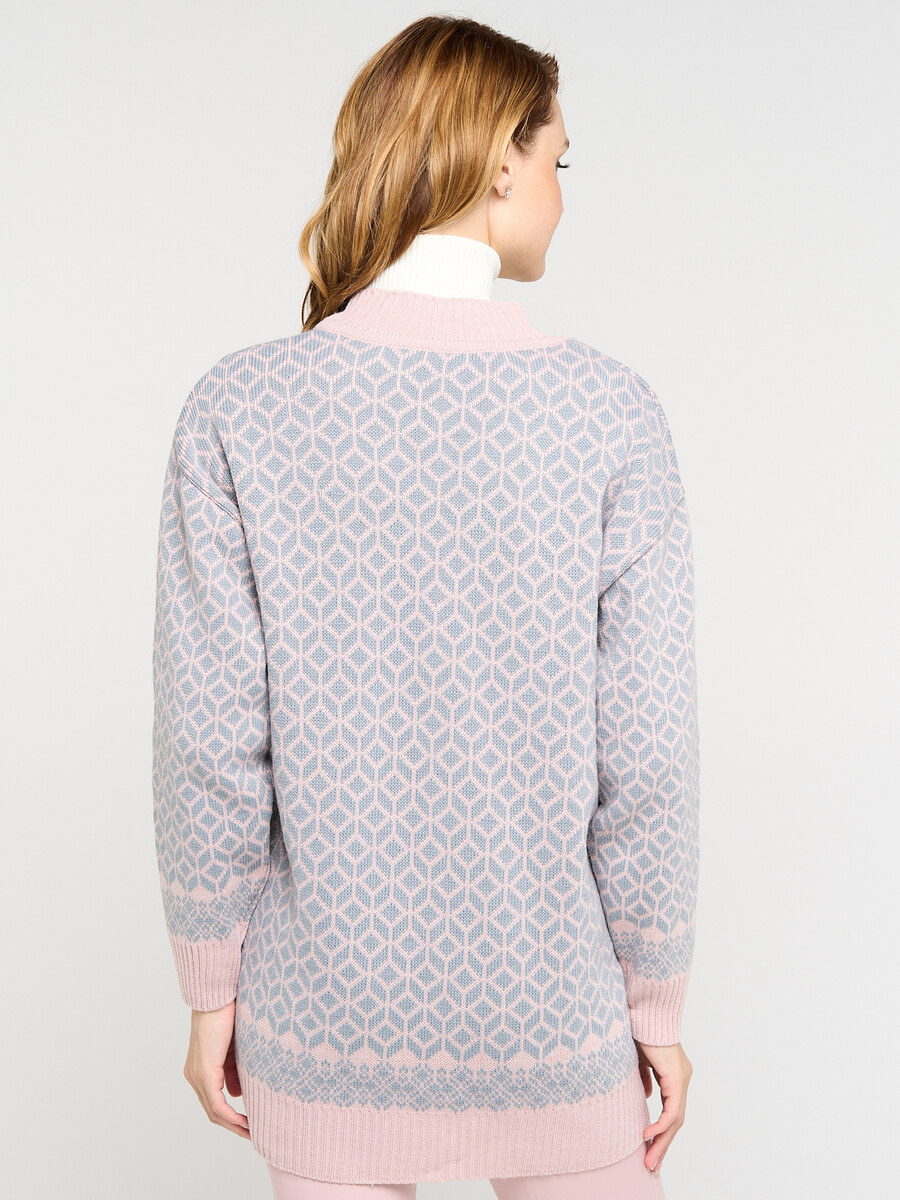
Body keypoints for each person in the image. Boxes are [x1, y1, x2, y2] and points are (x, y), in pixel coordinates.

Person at [151, 14, 699, 1199]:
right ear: (500, 162)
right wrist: (655, 1003)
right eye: (558, 158)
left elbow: (209, 742)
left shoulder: (239, 407)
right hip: (552, 1019)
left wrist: (210, 990)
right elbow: (646, 753)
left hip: (323, 1017)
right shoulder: (611, 413)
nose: (562, 191)